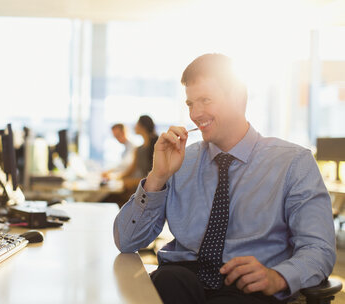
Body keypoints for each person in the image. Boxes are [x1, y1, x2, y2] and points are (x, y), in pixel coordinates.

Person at [113, 53, 335, 303]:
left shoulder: (293, 163)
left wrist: (278, 277)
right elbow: (127, 241)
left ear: (239, 97)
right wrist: (157, 177)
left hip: (247, 287)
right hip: (181, 281)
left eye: (206, 100)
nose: (195, 114)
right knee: (167, 282)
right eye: (190, 104)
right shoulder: (181, 160)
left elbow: (319, 249)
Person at [103, 115, 158, 207]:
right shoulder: (138, 149)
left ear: (142, 126)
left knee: (112, 199)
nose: (134, 126)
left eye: (137, 124)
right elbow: (131, 169)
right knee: (111, 198)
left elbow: (155, 175)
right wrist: (118, 178)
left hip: (147, 188)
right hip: (138, 185)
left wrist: (132, 182)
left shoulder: (155, 147)